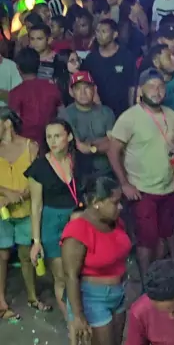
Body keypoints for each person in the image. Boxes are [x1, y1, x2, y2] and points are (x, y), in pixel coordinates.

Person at [107, 69, 174, 279]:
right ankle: (146, 283)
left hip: (169, 186)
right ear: (140, 90)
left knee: (169, 232)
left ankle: (173, 275)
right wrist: (124, 184)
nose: (157, 91)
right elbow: (113, 152)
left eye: (161, 86)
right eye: (151, 87)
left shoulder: (171, 115)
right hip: (142, 190)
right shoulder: (129, 117)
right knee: (146, 239)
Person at [27, 119, 92, 317]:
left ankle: (83, 315)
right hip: (52, 224)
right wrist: (36, 242)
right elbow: (36, 206)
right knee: (62, 277)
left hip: (78, 221)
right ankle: (72, 321)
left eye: (57, 136)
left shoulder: (79, 161)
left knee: (82, 273)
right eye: (49, 137)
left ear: (69, 136)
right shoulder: (39, 167)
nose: (52, 141)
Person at [61, 176, 131, 345]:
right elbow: (71, 276)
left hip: (118, 293)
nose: (120, 207)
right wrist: (78, 316)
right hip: (93, 298)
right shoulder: (77, 230)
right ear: (96, 203)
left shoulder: (116, 222)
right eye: (115, 202)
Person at [0, 106, 43, 318]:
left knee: (26, 255)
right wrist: (7, 193)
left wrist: (24, 193)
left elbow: (37, 177)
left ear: (7, 123)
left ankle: (33, 297)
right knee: (2, 255)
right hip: (2, 210)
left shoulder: (30, 146)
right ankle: (1, 302)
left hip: (27, 210)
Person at [58, 71, 115, 177]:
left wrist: (91, 146)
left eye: (87, 87)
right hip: (77, 174)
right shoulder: (65, 115)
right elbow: (79, 147)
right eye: (78, 89)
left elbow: (113, 143)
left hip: (106, 172)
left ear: (94, 89)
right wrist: (102, 142)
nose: (82, 93)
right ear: (71, 92)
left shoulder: (107, 112)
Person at [81, 19, 136, 115]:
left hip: (122, 112)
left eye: (103, 31)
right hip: (98, 112)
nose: (99, 35)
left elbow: (132, 86)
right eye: (97, 31)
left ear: (115, 34)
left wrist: (132, 109)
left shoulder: (126, 56)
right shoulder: (91, 59)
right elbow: (86, 84)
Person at [9, 47, 63, 144]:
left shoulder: (15, 93)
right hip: (50, 141)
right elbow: (62, 114)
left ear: (18, 68)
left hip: (26, 144)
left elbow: (13, 123)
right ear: (39, 65)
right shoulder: (52, 88)